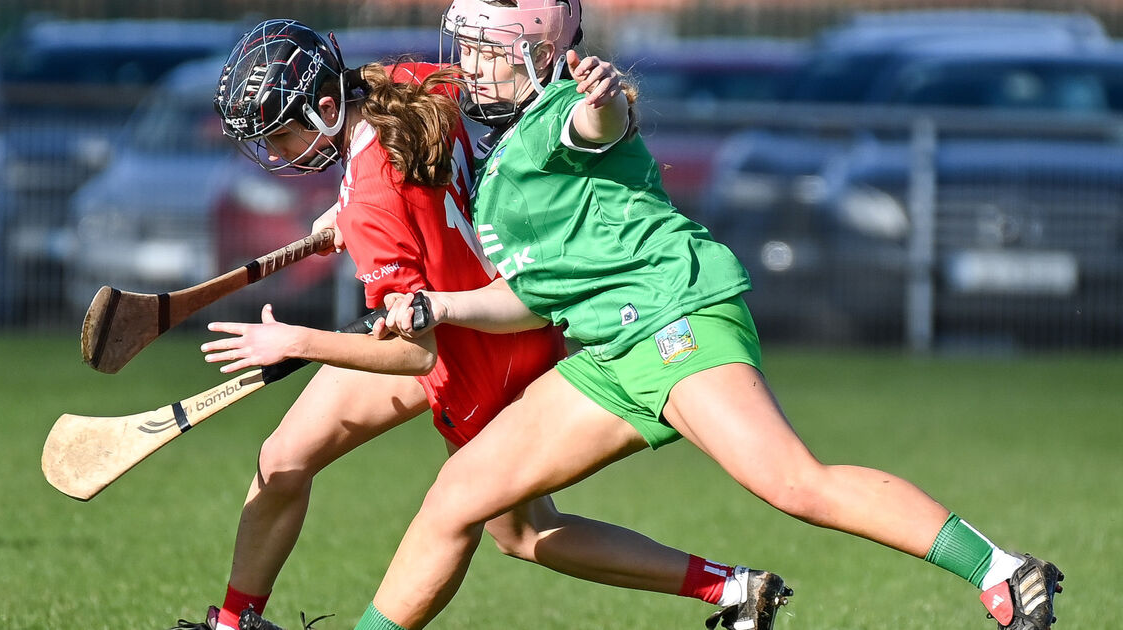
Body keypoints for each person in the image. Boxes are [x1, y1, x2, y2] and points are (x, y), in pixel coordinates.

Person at [322, 1, 1063, 630]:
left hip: (678, 320)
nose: (471, 65)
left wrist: (604, 97)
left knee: (793, 484)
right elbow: (532, 298)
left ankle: (1003, 570)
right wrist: (432, 301)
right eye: (469, 49)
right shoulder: (507, 143)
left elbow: (601, 122)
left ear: (541, 51)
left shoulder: (561, 116)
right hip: (613, 351)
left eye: (488, 50)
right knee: (461, 498)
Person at [172, 18, 791, 630]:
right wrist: (349, 206)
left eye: (279, 138)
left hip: (470, 350)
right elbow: (425, 183)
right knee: (284, 456)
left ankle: (728, 585)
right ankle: (233, 623)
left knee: (518, 531)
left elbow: (416, 355)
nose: (276, 156)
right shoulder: (407, 84)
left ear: (327, 108)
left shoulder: (371, 205)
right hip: (478, 313)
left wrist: (295, 340)